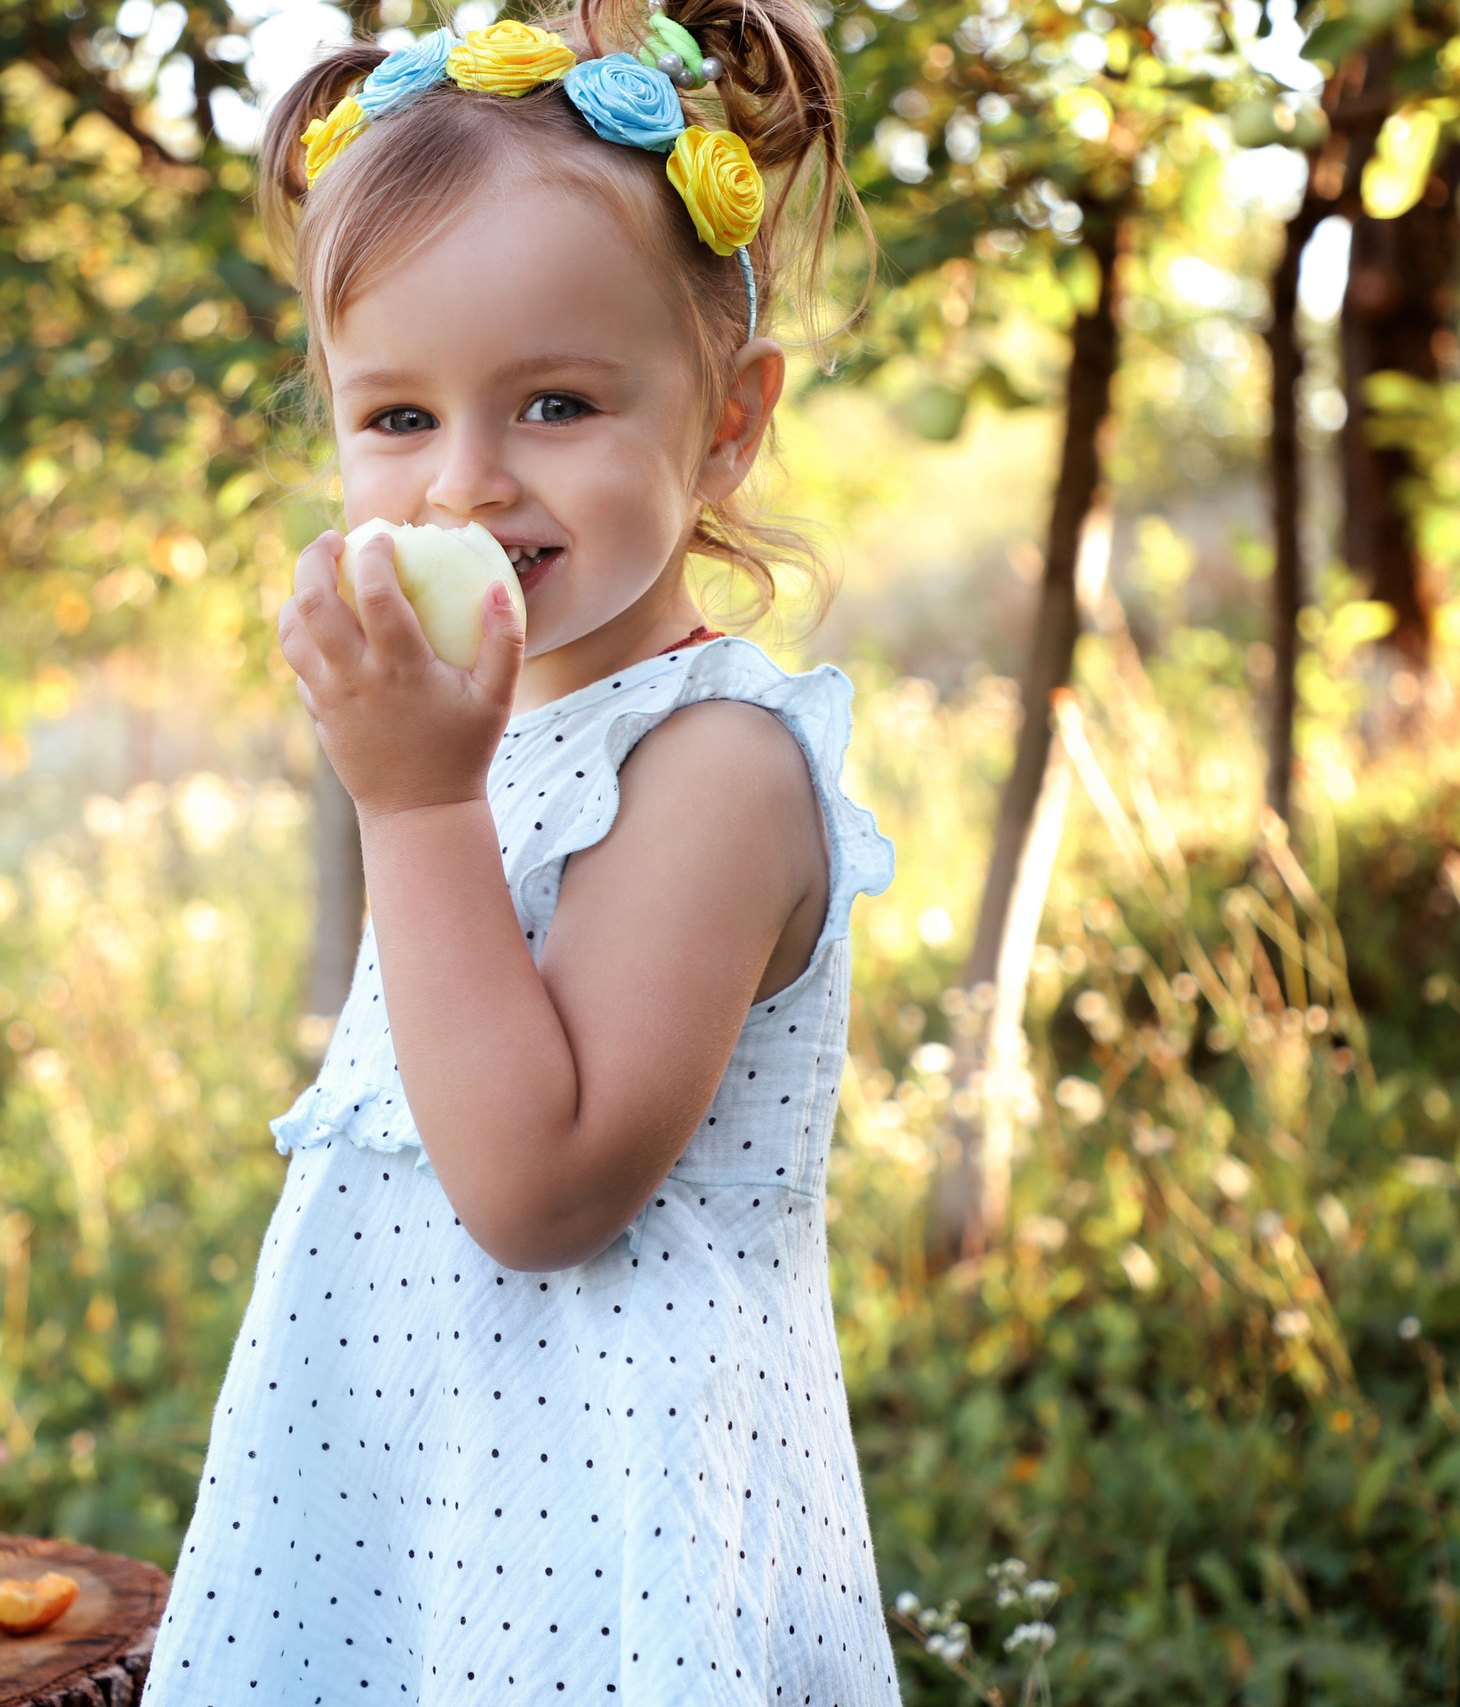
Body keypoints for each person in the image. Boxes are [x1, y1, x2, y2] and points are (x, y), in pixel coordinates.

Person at [140, 0, 898, 1696]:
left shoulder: (714, 766)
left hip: (610, 1571)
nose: (462, 489)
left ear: (727, 421)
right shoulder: (483, 744)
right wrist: (430, 781)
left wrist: (411, 804)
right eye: (396, 420)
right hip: (414, 1518)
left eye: (554, 403)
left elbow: (539, 1188)